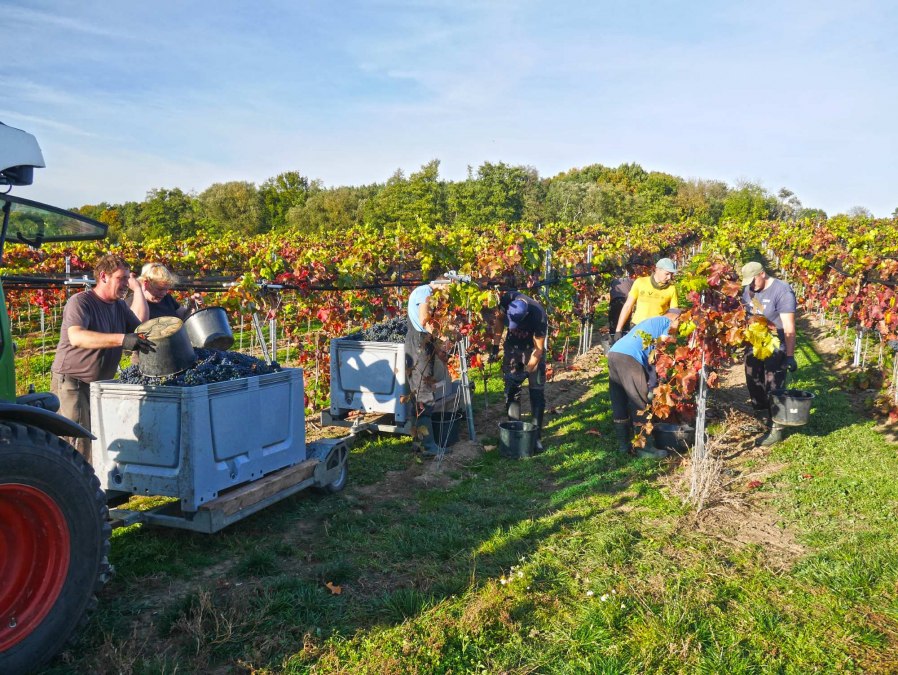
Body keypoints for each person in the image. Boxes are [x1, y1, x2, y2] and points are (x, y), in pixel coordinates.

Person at [51, 254, 155, 462]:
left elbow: (140, 329)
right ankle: (75, 490)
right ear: (103, 277)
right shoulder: (81, 302)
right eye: (121, 278)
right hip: (73, 381)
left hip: (99, 384)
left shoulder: (120, 306)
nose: (126, 283)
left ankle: (94, 486)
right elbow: (77, 336)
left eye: (127, 279)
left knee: (99, 436)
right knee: (78, 440)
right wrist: (122, 339)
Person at [607, 307, 682, 458]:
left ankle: (624, 446)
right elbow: (661, 357)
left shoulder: (652, 321)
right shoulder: (667, 324)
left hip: (614, 353)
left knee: (619, 399)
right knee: (639, 402)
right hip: (630, 358)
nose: (679, 329)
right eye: (681, 323)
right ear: (676, 318)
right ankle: (644, 448)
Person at [740, 261, 798, 446]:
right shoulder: (749, 289)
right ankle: (763, 418)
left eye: (753, 280)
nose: (751, 285)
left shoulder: (782, 291)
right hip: (754, 342)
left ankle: (777, 429)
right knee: (753, 380)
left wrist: (789, 355)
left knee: (773, 384)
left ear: (762, 274)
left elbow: (788, 326)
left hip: (775, 343)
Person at [489, 291, 548, 452]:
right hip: (512, 349)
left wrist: (526, 372)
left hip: (532, 350)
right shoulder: (508, 299)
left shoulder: (539, 316)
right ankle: (514, 430)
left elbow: (538, 350)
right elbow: (500, 320)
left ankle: (536, 437)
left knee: (536, 392)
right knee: (511, 389)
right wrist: (495, 345)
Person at [405, 274, 456, 456]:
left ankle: (419, 442)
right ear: (443, 284)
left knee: (422, 390)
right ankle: (428, 446)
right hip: (418, 343)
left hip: (424, 342)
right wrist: (443, 338)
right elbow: (424, 320)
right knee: (423, 392)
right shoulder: (424, 291)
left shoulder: (429, 293)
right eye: (448, 289)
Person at [613, 257, 679, 341]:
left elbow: (674, 314)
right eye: (667, 274)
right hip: (637, 326)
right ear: (657, 270)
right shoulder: (640, 282)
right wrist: (618, 330)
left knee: (653, 353)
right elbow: (628, 306)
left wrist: (671, 333)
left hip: (657, 329)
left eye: (671, 274)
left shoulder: (671, 289)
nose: (669, 277)